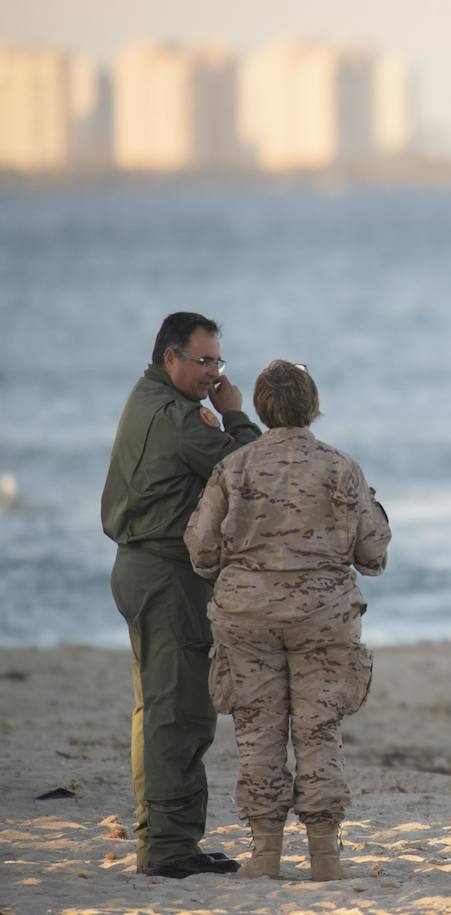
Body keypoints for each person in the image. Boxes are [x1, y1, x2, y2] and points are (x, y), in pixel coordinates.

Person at [184, 360, 390, 881]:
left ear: (260, 408)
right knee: (319, 732)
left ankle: (264, 856)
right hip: (323, 618)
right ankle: (324, 856)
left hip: (247, 619)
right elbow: (373, 552)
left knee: (258, 733)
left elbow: (202, 550)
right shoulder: (341, 467)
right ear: (312, 406)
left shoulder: (235, 467)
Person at [102, 312, 261, 878]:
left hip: (149, 568)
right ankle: (168, 849)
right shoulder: (175, 417)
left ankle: (169, 841)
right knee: (180, 713)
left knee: (161, 709)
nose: (212, 372)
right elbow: (252, 471)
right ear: (170, 356)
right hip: (165, 573)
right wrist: (237, 413)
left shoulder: (151, 397)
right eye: (203, 361)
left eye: (218, 361)